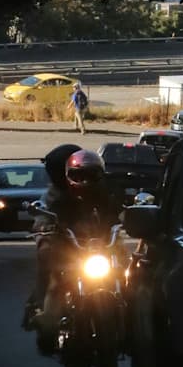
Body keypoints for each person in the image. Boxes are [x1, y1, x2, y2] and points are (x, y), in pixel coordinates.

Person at [25, 146, 120, 346]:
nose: (85, 181)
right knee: (54, 271)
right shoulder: (57, 196)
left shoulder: (107, 193)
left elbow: (118, 211)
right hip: (68, 247)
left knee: (127, 268)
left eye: (91, 175)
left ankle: (132, 315)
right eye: (79, 176)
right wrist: (45, 226)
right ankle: (46, 316)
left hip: (99, 246)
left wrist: (129, 218)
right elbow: (45, 213)